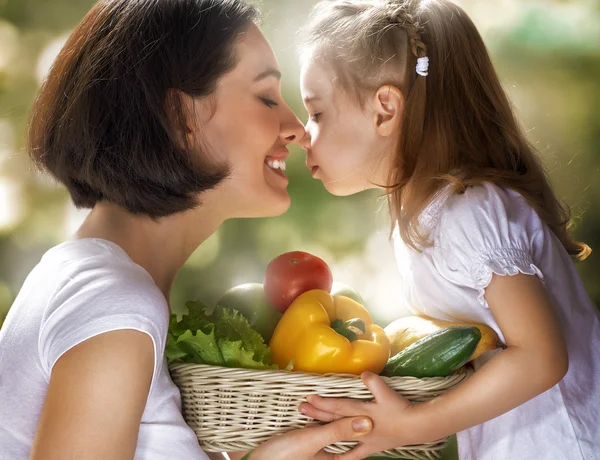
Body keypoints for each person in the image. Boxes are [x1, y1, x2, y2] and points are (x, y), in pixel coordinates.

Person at [0, 0, 374, 459]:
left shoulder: (85, 278)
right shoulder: (115, 306)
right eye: (266, 97)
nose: (296, 127)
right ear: (181, 117)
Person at [296, 0, 600, 459]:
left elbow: (541, 357)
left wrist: (412, 426)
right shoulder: (422, 221)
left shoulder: (469, 211)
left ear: (384, 110)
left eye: (317, 114)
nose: (303, 133)